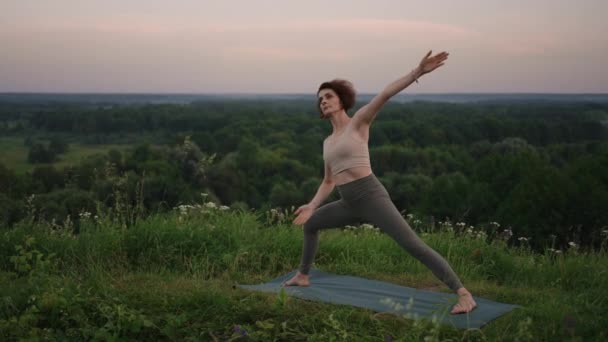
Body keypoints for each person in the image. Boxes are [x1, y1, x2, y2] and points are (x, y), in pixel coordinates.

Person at [283, 50, 477, 314]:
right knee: (312, 225)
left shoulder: (359, 123)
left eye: (328, 96)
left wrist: (417, 72)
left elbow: (385, 94)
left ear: (342, 100)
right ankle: (303, 276)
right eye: (320, 99)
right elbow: (328, 181)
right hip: (348, 202)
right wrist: (312, 205)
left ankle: (464, 294)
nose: (323, 102)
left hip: (371, 196)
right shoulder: (327, 142)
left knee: (413, 245)